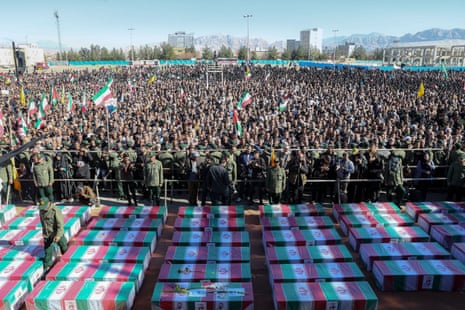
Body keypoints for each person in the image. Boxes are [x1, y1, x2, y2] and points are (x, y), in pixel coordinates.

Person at [38, 196, 67, 271]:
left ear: (49, 203)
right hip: (47, 234)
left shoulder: (55, 211)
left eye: (44, 206)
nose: (43, 209)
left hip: (57, 233)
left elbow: (60, 225)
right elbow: (43, 223)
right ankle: (47, 268)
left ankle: (68, 264)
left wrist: (58, 236)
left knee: (64, 248)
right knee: (48, 253)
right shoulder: (41, 210)